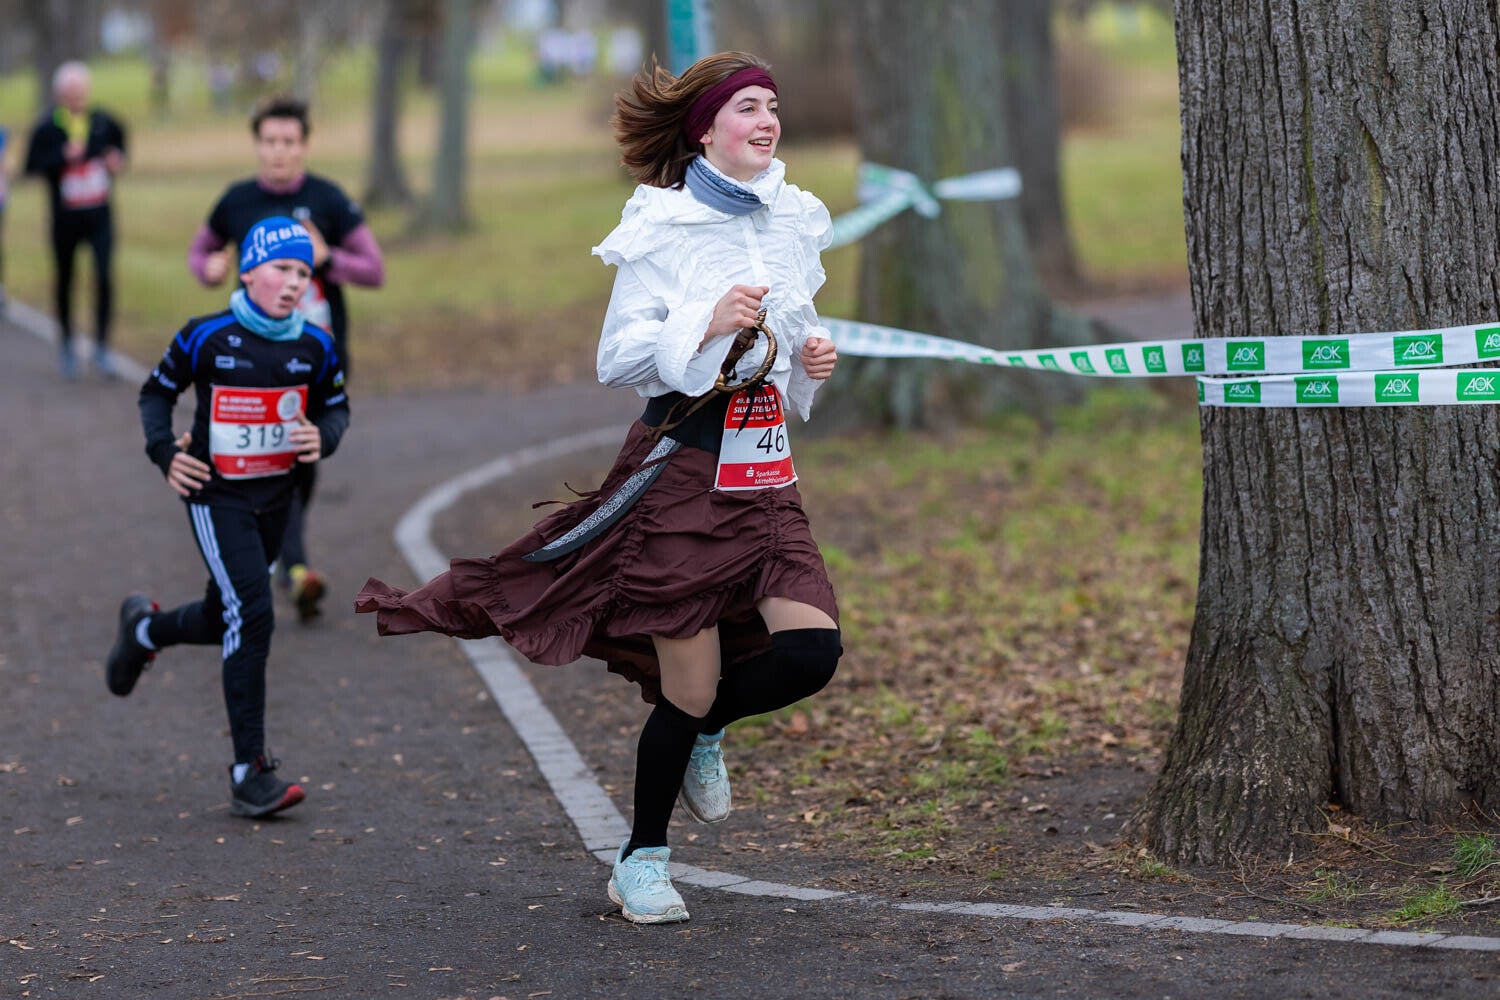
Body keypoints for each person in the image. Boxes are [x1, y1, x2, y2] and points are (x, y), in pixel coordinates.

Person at [355, 52, 843, 923]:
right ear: (705, 128)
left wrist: (810, 360)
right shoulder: (661, 226)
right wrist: (706, 321)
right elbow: (617, 358)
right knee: (686, 686)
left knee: (812, 654)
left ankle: (710, 727)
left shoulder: (792, 219)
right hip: (682, 475)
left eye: (773, 106)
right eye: (747, 107)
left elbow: (784, 348)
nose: (767, 121)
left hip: (766, 477)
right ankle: (641, 860)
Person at [106, 217, 350, 818]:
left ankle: (144, 631)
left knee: (225, 617)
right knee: (254, 612)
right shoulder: (206, 336)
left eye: (303, 272)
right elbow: (155, 393)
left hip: (276, 501)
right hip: (215, 496)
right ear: (247, 272)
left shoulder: (315, 344)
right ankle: (250, 773)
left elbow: (337, 407)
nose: (294, 282)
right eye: (281, 269)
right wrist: (165, 452)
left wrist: (323, 436)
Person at [187, 95, 384, 623]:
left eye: (289, 141)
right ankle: (293, 567)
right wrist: (207, 269)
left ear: (304, 145)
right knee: (278, 457)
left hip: (318, 358)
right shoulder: (237, 201)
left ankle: (279, 555)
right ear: (257, 145)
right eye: (270, 141)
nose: (279, 151)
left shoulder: (328, 200)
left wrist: (328, 258)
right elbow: (200, 252)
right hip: (252, 360)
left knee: (302, 460)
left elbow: (374, 269)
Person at [23, 61, 127, 379]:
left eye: (81, 91)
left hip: (100, 218)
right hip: (64, 220)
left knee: (104, 276)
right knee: (66, 279)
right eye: (70, 92)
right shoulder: (47, 128)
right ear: (59, 95)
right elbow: (31, 166)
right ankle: (67, 344)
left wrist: (117, 160)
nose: (77, 97)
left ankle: (102, 347)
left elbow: (121, 148)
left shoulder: (104, 121)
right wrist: (61, 158)